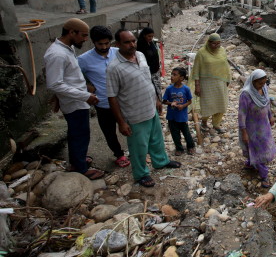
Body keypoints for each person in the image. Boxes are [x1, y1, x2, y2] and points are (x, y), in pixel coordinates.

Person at [106, 29, 181, 187]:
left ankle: (161, 161)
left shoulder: (140, 55)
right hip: (134, 114)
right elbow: (112, 97)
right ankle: (141, 174)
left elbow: (148, 79)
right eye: (127, 42)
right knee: (138, 147)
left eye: (133, 41)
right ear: (118, 44)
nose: (132, 44)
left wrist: (156, 99)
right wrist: (121, 122)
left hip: (150, 107)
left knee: (156, 140)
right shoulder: (114, 67)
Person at [44, 18, 104, 180]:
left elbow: (67, 77)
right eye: (83, 35)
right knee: (79, 133)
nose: (85, 39)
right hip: (75, 101)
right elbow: (55, 84)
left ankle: (78, 159)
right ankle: (80, 168)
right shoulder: (56, 54)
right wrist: (85, 96)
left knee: (80, 132)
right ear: (72, 32)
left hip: (77, 99)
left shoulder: (66, 49)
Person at [78, 26, 130, 168]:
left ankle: (136, 149)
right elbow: (74, 76)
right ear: (93, 42)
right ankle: (119, 154)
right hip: (103, 103)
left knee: (130, 126)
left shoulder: (118, 53)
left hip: (123, 101)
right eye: (100, 44)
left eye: (107, 43)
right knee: (109, 132)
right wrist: (87, 86)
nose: (104, 47)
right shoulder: (83, 60)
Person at [238, 69, 276, 188]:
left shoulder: (263, 89)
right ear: (253, 82)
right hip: (251, 128)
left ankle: (250, 163)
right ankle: (264, 176)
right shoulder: (246, 94)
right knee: (258, 150)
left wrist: (270, 116)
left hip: (263, 125)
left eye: (264, 83)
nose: (262, 85)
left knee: (264, 146)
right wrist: (244, 132)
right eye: (260, 83)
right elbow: (241, 114)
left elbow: (267, 103)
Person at [192, 33, 231, 133]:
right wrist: (197, 85)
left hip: (220, 82)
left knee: (221, 104)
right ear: (208, 42)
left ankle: (216, 125)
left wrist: (228, 79)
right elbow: (196, 69)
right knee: (208, 105)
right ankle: (204, 122)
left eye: (218, 43)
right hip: (206, 83)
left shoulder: (222, 50)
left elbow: (225, 65)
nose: (217, 46)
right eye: (214, 44)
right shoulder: (201, 52)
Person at [162, 67, 195, 156]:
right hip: (172, 116)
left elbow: (189, 101)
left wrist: (183, 106)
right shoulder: (169, 89)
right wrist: (171, 103)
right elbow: (164, 101)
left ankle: (190, 146)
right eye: (172, 74)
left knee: (186, 132)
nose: (172, 76)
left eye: (175, 75)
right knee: (175, 133)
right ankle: (179, 148)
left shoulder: (186, 89)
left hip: (182, 115)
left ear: (181, 78)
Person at [136, 27, 162, 98]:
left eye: (152, 36)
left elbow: (156, 56)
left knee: (158, 90)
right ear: (144, 35)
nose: (151, 38)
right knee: (153, 91)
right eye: (149, 36)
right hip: (148, 73)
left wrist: (159, 68)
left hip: (155, 71)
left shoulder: (151, 43)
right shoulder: (141, 46)